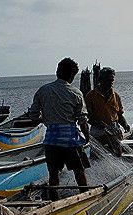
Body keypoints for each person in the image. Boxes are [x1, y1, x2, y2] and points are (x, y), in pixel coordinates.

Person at [28, 57, 90, 201]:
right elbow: (82, 120)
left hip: (51, 140)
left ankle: (54, 204)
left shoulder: (43, 90)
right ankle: (86, 199)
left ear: (57, 71)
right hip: (71, 141)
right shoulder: (76, 93)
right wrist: (86, 137)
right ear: (72, 76)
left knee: (53, 176)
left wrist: (47, 120)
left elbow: (33, 116)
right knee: (79, 173)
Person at [85, 67, 131, 156]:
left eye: (112, 80)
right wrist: (97, 123)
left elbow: (119, 115)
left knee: (117, 155)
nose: (111, 82)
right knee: (96, 156)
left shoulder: (116, 96)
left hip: (114, 130)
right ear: (101, 80)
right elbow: (87, 116)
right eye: (108, 80)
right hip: (98, 131)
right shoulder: (91, 95)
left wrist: (125, 125)